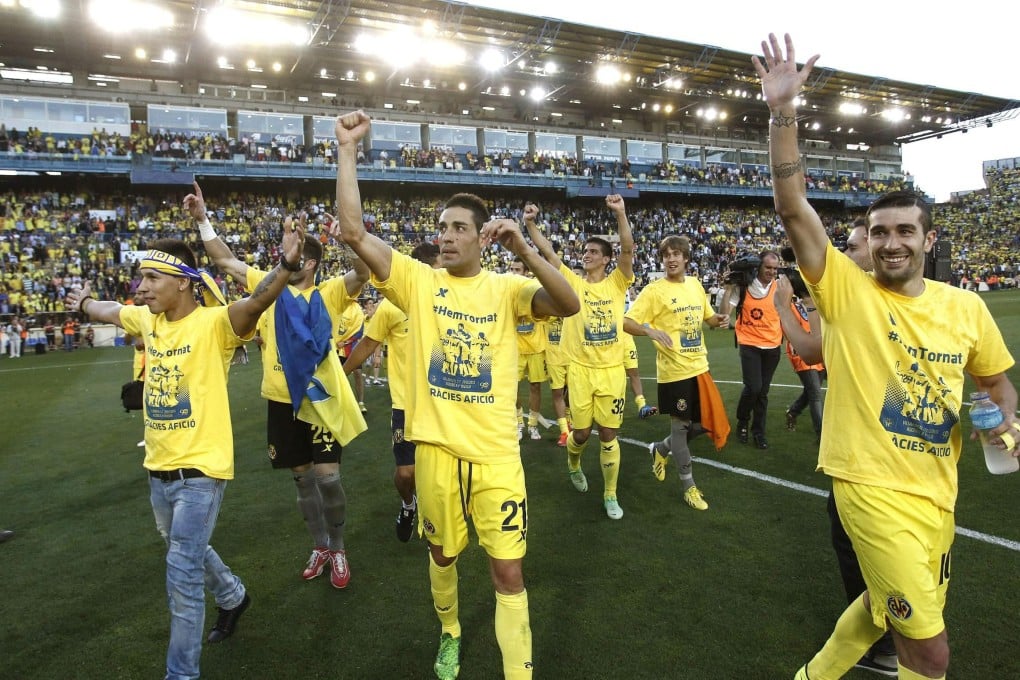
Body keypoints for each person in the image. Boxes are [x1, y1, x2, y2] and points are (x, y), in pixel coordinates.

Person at [754, 33, 1019, 680]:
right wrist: (783, 111)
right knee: (929, 650)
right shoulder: (847, 291)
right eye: (879, 233)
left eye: (905, 231)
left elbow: (994, 382)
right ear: (865, 243)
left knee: (878, 608)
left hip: (938, 492)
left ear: (929, 238)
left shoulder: (966, 309)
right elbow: (793, 209)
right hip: (869, 488)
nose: (891, 243)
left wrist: (1001, 431)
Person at [334, 109, 579, 680]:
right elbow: (353, 232)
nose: (445, 236)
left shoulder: (509, 287)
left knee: (508, 573)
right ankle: (449, 632)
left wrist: (524, 248)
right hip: (436, 453)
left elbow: (568, 303)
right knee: (443, 555)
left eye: (458, 228)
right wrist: (347, 150)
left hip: (497, 455)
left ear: (482, 237)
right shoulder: (419, 283)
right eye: (441, 227)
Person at [66, 216, 305, 680]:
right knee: (184, 549)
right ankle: (234, 596)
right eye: (143, 277)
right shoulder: (149, 321)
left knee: (182, 574)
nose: (143, 286)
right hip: (157, 467)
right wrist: (86, 303)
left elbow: (256, 301)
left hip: (200, 470)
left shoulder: (215, 323)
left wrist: (285, 263)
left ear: (182, 283)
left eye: (153, 278)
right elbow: (111, 311)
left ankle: (181, 674)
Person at [186, 181, 368, 589]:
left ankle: (338, 548)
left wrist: (349, 239)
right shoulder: (269, 288)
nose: (289, 259)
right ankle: (319, 544)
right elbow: (227, 263)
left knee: (329, 479)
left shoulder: (330, 293)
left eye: (297, 255)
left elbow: (363, 272)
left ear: (312, 263)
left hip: (320, 401)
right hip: (281, 403)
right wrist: (203, 221)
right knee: (302, 480)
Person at [525, 197, 634, 519]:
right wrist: (531, 223)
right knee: (583, 434)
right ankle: (573, 463)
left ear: (606, 259)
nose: (586, 255)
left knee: (610, 434)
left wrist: (620, 214)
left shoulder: (617, 283)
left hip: (612, 371)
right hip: (581, 371)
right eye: (584, 251)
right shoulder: (573, 282)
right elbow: (548, 254)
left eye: (593, 252)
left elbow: (627, 249)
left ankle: (610, 494)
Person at [342, 241, 441, 543]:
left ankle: (437, 514)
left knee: (441, 473)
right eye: (438, 268)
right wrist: (339, 373)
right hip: (406, 406)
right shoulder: (390, 306)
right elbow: (369, 344)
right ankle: (409, 504)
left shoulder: (447, 300)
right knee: (407, 474)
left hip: (441, 403)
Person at [623, 235, 730, 511]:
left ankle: (661, 448)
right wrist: (649, 329)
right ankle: (689, 486)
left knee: (706, 422)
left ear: (685, 258)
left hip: (700, 367)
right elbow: (626, 321)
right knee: (681, 427)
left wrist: (717, 319)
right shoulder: (654, 291)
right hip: (674, 371)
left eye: (676, 254)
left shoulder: (695, 285)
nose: (671, 259)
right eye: (666, 255)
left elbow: (707, 318)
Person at [721, 250, 783, 449]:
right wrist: (728, 289)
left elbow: (785, 316)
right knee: (754, 387)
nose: (772, 272)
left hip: (773, 345)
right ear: (758, 267)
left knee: (763, 392)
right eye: (768, 267)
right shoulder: (744, 287)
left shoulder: (781, 287)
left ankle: (759, 431)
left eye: (775, 268)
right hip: (749, 344)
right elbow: (723, 315)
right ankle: (742, 420)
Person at [774, 276, 825, 438]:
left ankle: (793, 412)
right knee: (815, 394)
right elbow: (787, 330)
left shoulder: (815, 303)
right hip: (802, 354)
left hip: (820, 351)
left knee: (811, 391)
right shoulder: (789, 307)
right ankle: (821, 435)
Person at [509, 256, 548, 441]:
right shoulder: (506, 290)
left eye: (517, 270)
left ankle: (532, 425)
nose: (513, 273)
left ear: (526, 273)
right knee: (512, 387)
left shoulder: (534, 290)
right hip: (515, 349)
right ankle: (518, 422)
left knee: (535, 387)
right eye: (512, 269)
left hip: (536, 348)